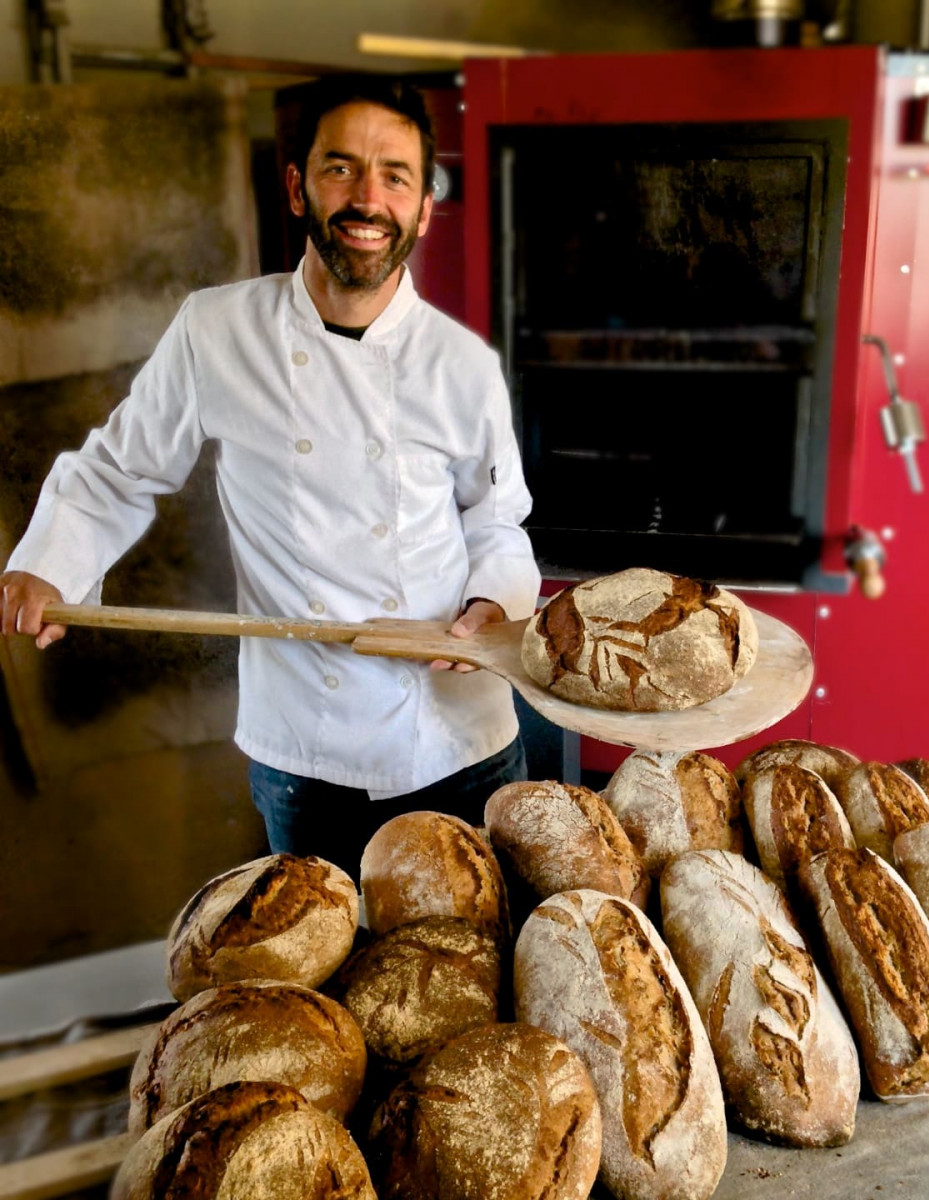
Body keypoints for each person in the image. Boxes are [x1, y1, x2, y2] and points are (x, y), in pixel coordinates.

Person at [0, 75, 541, 878]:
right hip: (303, 752)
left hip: (454, 740)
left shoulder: (463, 368)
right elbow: (119, 469)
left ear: (424, 208)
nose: (367, 198)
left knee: (469, 978)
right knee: (306, 981)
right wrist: (48, 562)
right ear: (298, 187)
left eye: (395, 176)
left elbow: (497, 522)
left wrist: (491, 607)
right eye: (340, 169)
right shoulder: (216, 331)